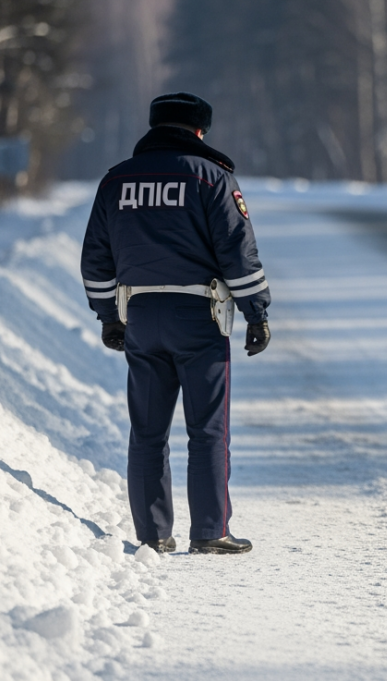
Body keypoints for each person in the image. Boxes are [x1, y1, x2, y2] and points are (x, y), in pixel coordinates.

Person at [81, 93, 272, 555]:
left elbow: (96, 259)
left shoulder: (116, 180)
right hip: (199, 316)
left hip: (141, 315)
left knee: (147, 431)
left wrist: (109, 317)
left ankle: (153, 534)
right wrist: (257, 313)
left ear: (155, 127)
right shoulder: (211, 177)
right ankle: (210, 530)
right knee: (207, 429)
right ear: (199, 131)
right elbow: (238, 253)